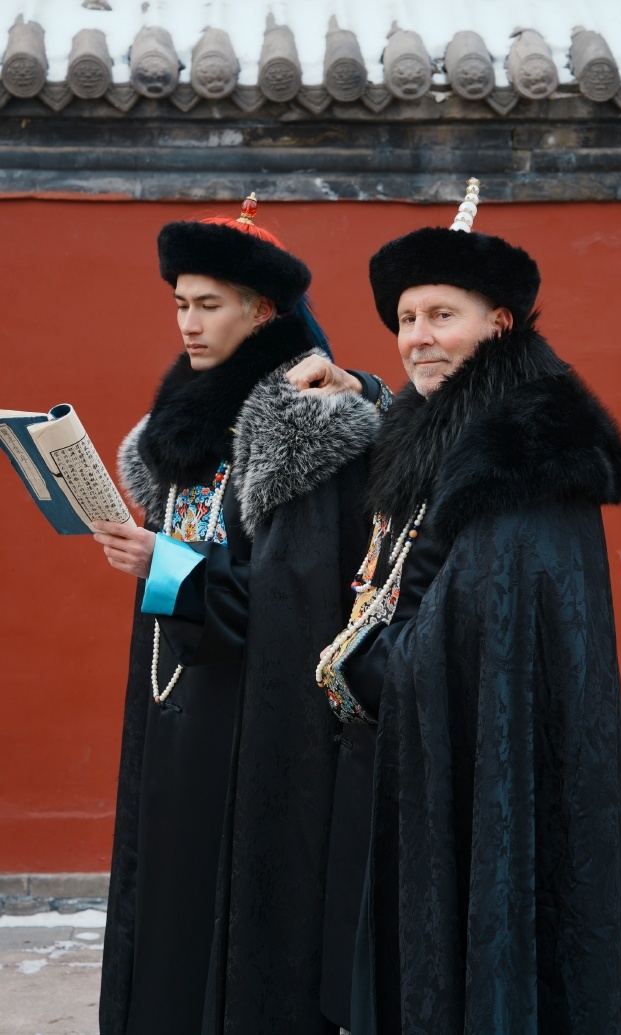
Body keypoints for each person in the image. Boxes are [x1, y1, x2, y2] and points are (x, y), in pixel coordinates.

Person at [315, 185, 621, 1033]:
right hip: (417, 751)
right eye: (406, 319)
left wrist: (367, 663)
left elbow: (484, 623)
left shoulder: (529, 447)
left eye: (442, 315)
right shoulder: (435, 428)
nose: (418, 338)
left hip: (482, 751)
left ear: (499, 323)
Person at [92, 194, 385, 1035]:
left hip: (259, 726)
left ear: (262, 311)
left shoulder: (308, 425)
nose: (188, 322)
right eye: (180, 302)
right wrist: (163, 566)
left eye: (209, 303)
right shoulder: (185, 428)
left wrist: (167, 566)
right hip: (177, 707)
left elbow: (295, 598)